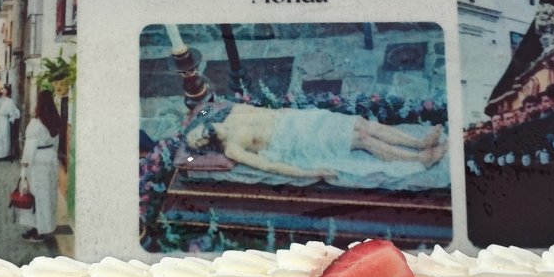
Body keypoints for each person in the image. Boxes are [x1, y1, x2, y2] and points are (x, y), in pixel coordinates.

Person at [188, 102, 446, 183]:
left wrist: (296, 114)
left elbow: (271, 110)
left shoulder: (235, 112)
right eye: (201, 143)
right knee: (362, 139)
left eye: (202, 131)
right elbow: (270, 166)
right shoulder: (233, 148)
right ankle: (419, 159)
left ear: (207, 122)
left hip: (299, 121)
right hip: (297, 141)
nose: (205, 136)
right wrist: (311, 173)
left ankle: (419, 142)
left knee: (362, 124)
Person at [17, 91, 64, 245]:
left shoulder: (35, 124)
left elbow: (29, 149)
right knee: (47, 195)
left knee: (37, 195)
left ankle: (39, 230)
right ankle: (42, 226)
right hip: (50, 158)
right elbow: (56, 143)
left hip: (37, 160)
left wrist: (23, 171)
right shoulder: (55, 121)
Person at [0, 87, 21, 160]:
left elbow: (13, 112)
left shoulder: (9, 101)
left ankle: (4, 155)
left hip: (3, 120)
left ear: (6, 92)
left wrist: (11, 120)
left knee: (3, 136)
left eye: (3, 89)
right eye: (0, 89)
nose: (1, 90)